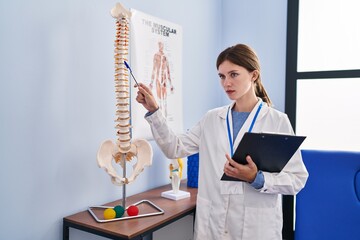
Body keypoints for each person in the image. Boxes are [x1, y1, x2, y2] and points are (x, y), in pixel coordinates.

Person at [136, 43, 308, 240]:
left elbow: (297, 179)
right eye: (222, 76)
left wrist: (256, 178)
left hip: (256, 229)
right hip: (213, 226)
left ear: (254, 75)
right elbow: (174, 148)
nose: (227, 83)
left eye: (234, 74)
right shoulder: (212, 118)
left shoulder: (276, 121)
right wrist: (154, 111)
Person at [149, 41, 174, 117]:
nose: (161, 47)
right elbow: (154, 69)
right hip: (158, 80)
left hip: (164, 79)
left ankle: (165, 117)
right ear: (158, 46)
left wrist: (171, 85)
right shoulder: (156, 56)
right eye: (159, 45)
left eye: (162, 45)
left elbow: (168, 71)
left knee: (165, 100)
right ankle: (161, 116)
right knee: (159, 100)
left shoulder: (165, 57)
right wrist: (151, 82)